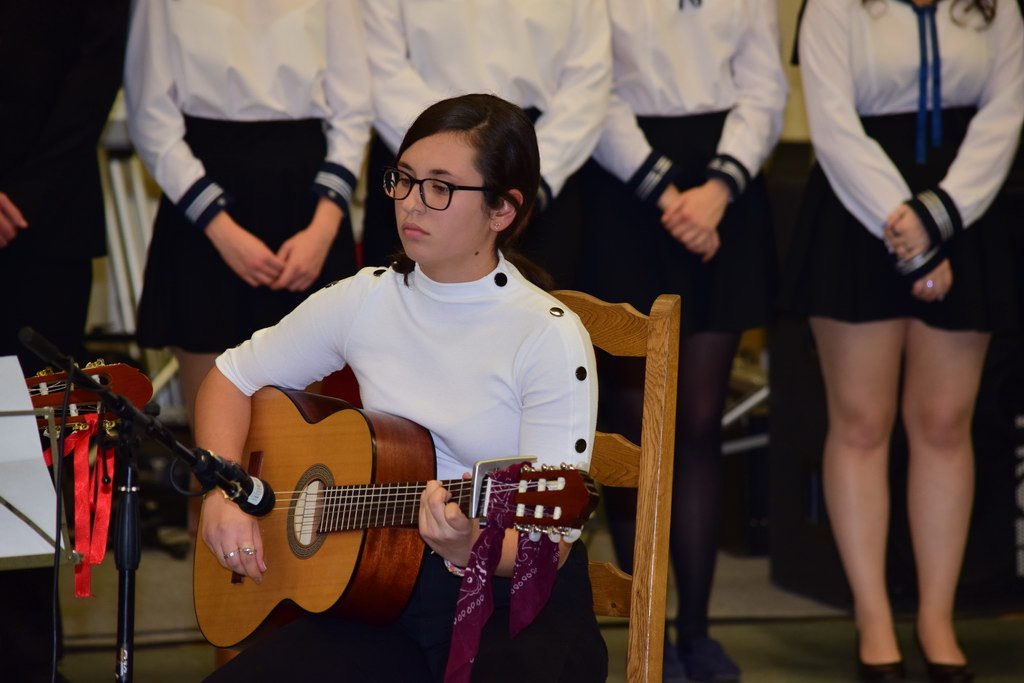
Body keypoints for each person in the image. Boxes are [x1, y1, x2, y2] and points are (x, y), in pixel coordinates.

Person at [196, 94, 607, 682]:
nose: (411, 203)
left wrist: (468, 545)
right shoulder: (366, 299)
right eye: (404, 179)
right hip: (380, 591)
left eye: (440, 187)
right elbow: (230, 378)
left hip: (511, 601)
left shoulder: (546, 336)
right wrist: (223, 490)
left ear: (501, 210)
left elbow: (550, 546)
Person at [782, 1, 1024, 681]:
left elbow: (1004, 114)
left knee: (945, 423)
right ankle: (875, 619)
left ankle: (938, 620)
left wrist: (939, 216)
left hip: (965, 208)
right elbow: (832, 121)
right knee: (861, 422)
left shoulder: (999, 6)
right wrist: (911, 234)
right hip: (859, 212)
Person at [578, 2, 788, 681]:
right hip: (625, 186)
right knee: (633, 426)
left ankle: (697, 630)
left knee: (698, 422)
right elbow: (589, 82)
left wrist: (720, 186)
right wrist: (666, 195)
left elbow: (764, 85)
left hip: (724, 190)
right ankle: (649, 630)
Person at [124, 0, 373, 426]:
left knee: (297, 440)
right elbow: (150, 114)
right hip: (204, 209)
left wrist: (323, 228)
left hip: (305, 205)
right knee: (213, 445)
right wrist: (221, 230)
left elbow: (354, 109)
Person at [0, 3, 130, 681]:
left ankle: (28, 661)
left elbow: (95, 71)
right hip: (39, 221)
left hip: (44, 230)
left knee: (30, 453)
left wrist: (24, 195)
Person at [358, 0, 611, 288]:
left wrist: (533, 178)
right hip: (420, 137)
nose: (411, 205)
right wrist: (436, 172)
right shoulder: (414, 189)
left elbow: (588, 77)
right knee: (397, 299)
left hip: (540, 154)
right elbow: (382, 65)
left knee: (538, 302)